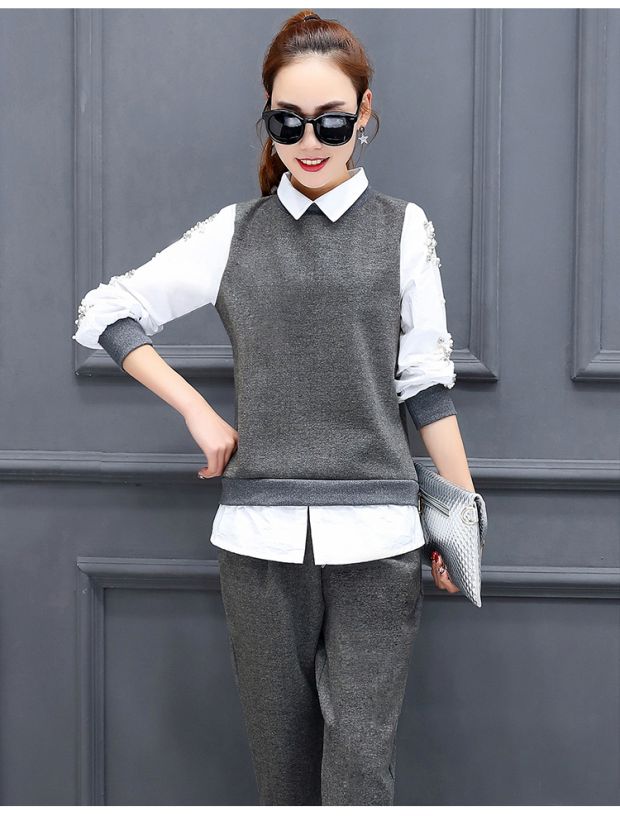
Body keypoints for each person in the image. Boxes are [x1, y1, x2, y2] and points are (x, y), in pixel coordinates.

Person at [72, 9, 476, 806]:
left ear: (364, 112)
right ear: (268, 117)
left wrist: (461, 522)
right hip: (257, 545)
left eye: (331, 121)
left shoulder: (403, 230)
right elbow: (104, 311)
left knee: (360, 770)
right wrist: (197, 410)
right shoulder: (233, 234)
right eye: (288, 122)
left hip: (380, 543)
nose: (310, 141)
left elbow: (427, 383)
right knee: (282, 773)